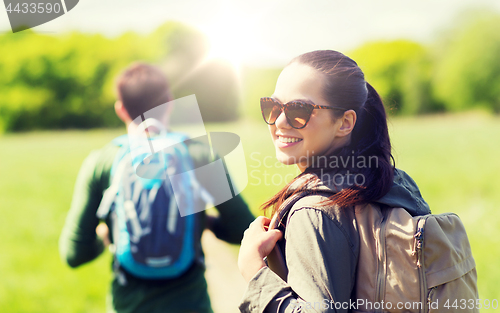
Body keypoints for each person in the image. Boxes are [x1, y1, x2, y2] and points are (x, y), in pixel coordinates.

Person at [237, 50, 431, 312]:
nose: (279, 121)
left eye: (299, 109)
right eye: (272, 106)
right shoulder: (395, 183)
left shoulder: (314, 211)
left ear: (345, 123)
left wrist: (254, 271)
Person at [59, 62, 255, 313]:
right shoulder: (200, 154)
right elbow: (243, 229)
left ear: (121, 109)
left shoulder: (102, 161)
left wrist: (106, 234)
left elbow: (74, 254)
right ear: (169, 103)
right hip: (190, 305)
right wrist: (207, 223)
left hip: (128, 306)